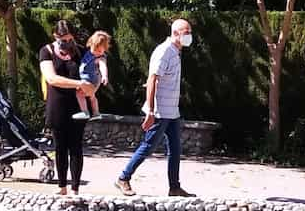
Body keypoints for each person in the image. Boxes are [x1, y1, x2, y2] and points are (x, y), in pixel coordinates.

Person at [115, 17, 194, 198]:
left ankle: (174, 187)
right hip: (160, 111)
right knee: (148, 146)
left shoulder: (175, 52)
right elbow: (152, 79)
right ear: (175, 33)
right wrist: (150, 110)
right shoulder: (164, 51)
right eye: (186, 32)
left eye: (189, 32)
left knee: (175, 150)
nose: (189, 36)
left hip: (172, 111)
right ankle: (123, 177)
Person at [38, 20, 96, 197]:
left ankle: (75, 189)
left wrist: (92, 87)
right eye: (62, 39)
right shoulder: (46, 51)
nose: (66, 42)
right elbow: (52, 78)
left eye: (69, 38)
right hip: (57, 106)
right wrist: (79, 83)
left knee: (76, 147)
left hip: (78, 105)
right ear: (55, 36)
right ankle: (61, 187)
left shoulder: (81, 52)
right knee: (60, 147)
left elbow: (94, 73)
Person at [72, 30, 112, 120]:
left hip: (91, 80)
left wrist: (105, 76)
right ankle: (96, 113)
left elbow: (103, 66)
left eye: (100, 51)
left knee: (79, 94)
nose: (96, 53)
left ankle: (85, 112)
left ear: (104, 50)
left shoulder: (100, 58)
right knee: (92, 96)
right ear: (90, 44)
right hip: (87, 79)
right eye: (95, 50)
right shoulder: (89, 53)